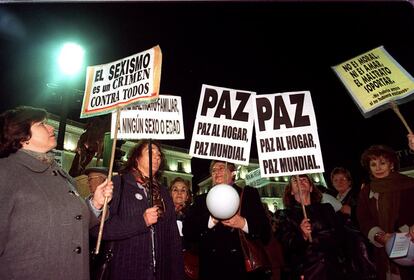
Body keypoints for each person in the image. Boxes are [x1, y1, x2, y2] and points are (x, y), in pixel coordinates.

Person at [0, 106, 113, 280]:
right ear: (22, 136)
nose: (51, 127)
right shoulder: (6, 172)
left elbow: (73, 221)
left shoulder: (61, 174)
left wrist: (95, 203)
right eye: (42, 124)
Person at [90, 139, 184, 280]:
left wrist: (177, 274)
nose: (157, 156)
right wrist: (141, 221)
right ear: (136, 158)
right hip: (125, 271)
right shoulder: (118, 184)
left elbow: (173, 239)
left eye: (159, 154)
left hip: (160, 274)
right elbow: (98, 229)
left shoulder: (163, 192)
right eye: (150, 152)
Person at [183, 160, 271, 280]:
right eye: (213, 170)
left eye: (221, 168)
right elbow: (188, 232)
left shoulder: (248, 195)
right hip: (211, 270)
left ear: (233, 173)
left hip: (242, 270)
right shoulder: (201, 200)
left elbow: (265, 233)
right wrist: (210, 221)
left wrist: (243, 223)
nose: (217, 172)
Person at [357, 144, 414, 280]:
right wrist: (379, 235)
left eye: (382, 163)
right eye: (373, 164)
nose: (378, 168)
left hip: (410, 246)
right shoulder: (366, 191)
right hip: (382, 253)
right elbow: (363, 218)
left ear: (392, 165)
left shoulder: (410, 184)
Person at [275, 174, 345, 280]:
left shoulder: (327, 209)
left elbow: (339, 235)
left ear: (311, 188)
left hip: (332, 268)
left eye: (304, 179)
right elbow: (287, 244)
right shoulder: (284, 215)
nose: (300, 181)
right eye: (295, 180)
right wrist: (302, 235)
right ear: (291, 191)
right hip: (306, 270)